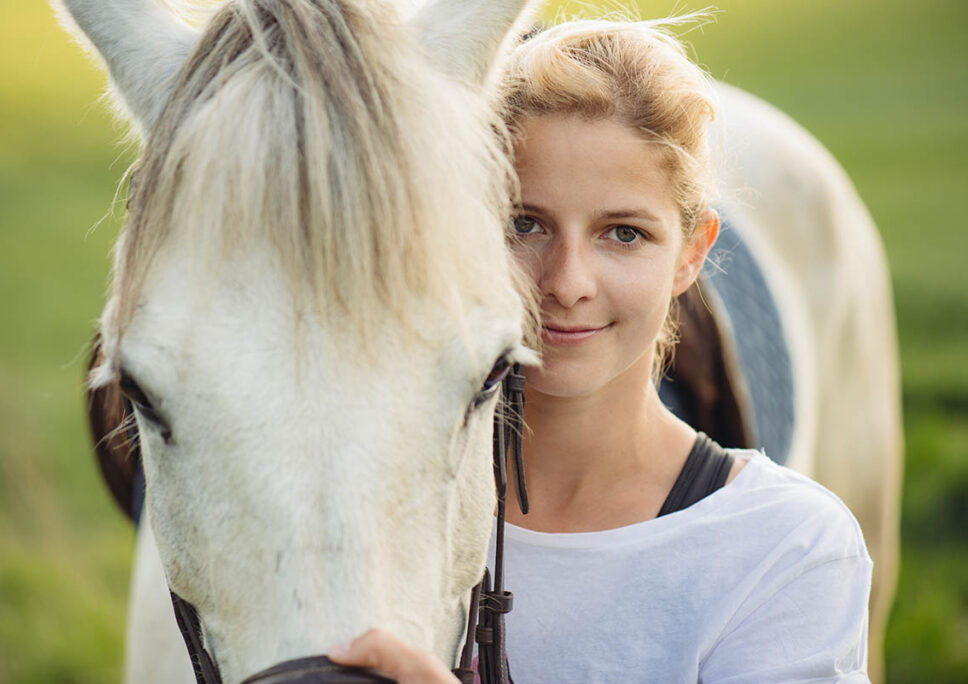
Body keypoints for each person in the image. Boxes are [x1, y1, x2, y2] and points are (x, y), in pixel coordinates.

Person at [329, 18, 872, 683]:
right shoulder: (360, 522)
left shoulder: (787, 547)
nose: (567, 283)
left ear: (693, 252)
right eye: (523, 224)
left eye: (623, 233)